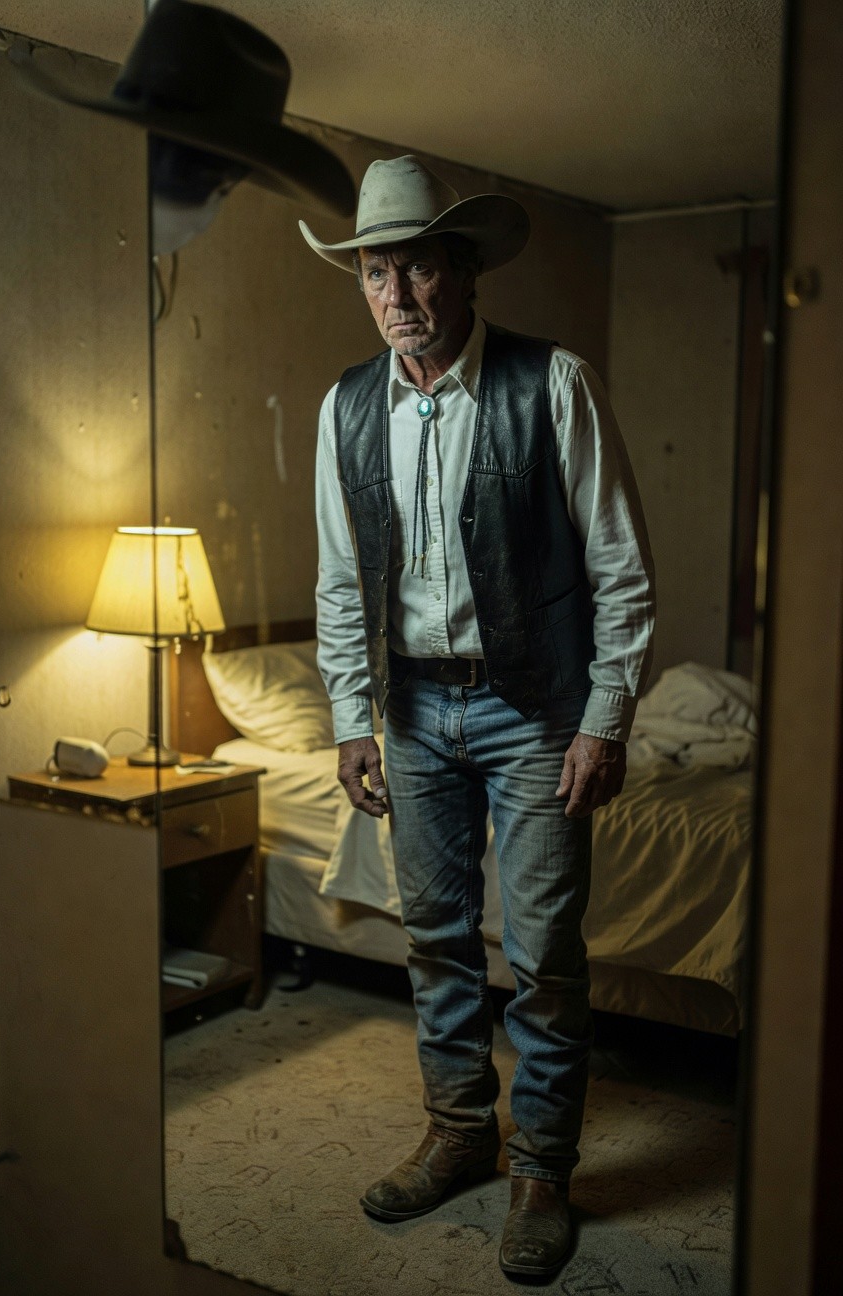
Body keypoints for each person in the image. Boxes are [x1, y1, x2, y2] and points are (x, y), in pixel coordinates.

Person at [300, 154, 655, 1281]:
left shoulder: (554, 383)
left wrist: (606, 716)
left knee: (544, 952)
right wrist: (353, 716)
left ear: (461, 273)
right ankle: (461, 1133)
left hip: (535, 710)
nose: (395, 294)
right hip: (411, 717)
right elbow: (339, 580)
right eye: (374, 273)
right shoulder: (347, 405)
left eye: (415, 269)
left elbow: (620, 566)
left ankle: (542, 1165)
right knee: (434, 941)